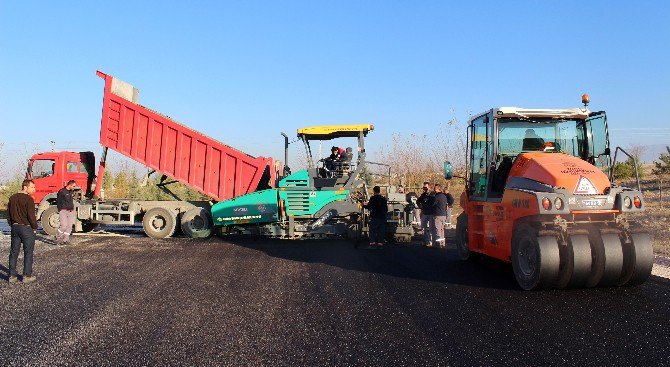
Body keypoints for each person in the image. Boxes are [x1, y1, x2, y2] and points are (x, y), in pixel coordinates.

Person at [7, 179, 38, 283]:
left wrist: (13, 225)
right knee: (28, 252)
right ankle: (26, 276)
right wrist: (34, 228)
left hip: (15, 228)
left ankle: (12, 276)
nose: (34, 189)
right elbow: (31, 216)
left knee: (14, 252)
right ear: (25, 187)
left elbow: (8, 215)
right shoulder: (29, 199)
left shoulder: (12, 198)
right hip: (26, 228)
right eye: (32, 187)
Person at [56, 180, 76, 245]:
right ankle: (57, 237)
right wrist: (59, 210)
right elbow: (58, 201)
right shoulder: (62, 191)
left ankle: (65, 240)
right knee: (63, 226)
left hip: (70, 211)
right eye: (73, 186)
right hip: (63, 211)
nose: (74, 187)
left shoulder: (71, 192)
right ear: (69, 185)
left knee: (69, 226)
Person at [417, 182, 435, 246]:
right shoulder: (423, 195)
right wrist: (420, 206)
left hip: (431, 213)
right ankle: (426, 241)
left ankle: (431, 241)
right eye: (424, 187)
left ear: (429, 187)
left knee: (431, 228)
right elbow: (417, 201)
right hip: (424, 213)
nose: (424, 189)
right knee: (423, 228)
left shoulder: (433, 194)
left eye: (426, 187)